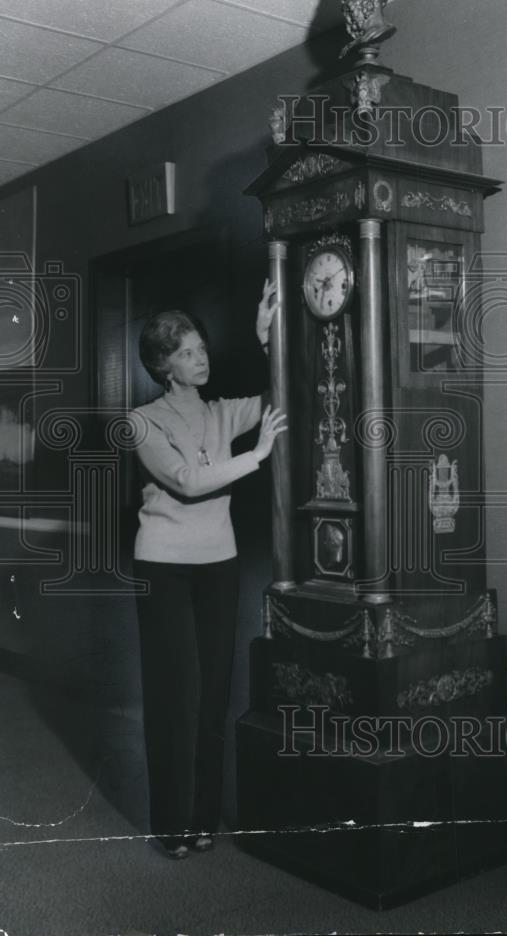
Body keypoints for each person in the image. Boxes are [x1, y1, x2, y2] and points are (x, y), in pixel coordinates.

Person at [128, 281, 285, 859]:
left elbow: (281, 396)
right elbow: (189, 482)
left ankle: (201, 820)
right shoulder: (142, 421)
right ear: (164, 367)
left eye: (202, 348)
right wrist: (255, 456)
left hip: (218, 564)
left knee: (214, 694)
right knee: (176, 697)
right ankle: (171, 825)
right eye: (188, 352)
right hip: (165, 569)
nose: (202, 358)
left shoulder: (222, 412)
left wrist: (265, 337)